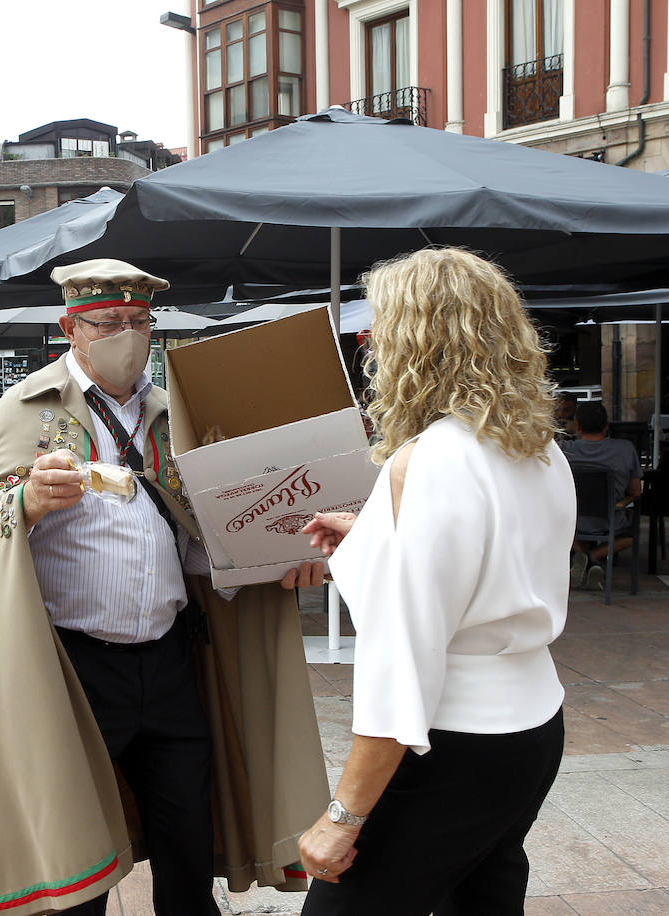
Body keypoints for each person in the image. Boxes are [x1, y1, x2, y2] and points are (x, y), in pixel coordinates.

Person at [0, 259, 326, 915]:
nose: (127, 335)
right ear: (70, 327)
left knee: (187, 848)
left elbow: (216, 531)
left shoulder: (179, 412)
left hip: (172, 661)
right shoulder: (26, 408)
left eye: (139, 323)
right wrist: (26, 500)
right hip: (76, 668)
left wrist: (277, 556)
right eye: (108, 322)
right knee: (77, 854)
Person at [285, 248, 573, 915]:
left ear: (417, 341)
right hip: (532, 728)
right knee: (484, 898)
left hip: (452, 743)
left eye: (381, 328)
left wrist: (342, 817)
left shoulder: (432, 459)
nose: (373, 344)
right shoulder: (535, 445)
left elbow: (403, 661)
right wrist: (374, 537)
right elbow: (500, 562)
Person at [561, 401, 643, 589]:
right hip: (610, 519)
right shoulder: (625, 449)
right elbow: (635, 491)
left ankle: (582, 557)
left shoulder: (565, 449)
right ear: (607, 426)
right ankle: (592, 557)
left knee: (567, 525)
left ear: (578, 426)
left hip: (574, 519)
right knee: (631, 535)